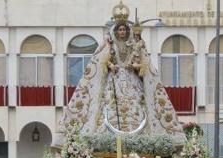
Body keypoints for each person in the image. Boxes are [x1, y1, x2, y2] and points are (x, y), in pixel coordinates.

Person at [61, 4, 186, 144]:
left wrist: (135, 66)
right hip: (113, 79)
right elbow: (103, 59)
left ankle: (138, 133)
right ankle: (107, 135)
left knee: (137, 104)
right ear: (116, 31)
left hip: (131, 79)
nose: (122, 32)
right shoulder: (110, 45)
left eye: (124, 29)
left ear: (127, 31)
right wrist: (111, 65)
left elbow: (142, 63)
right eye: (120, 29)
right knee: (108, 103)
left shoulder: (134, 45)